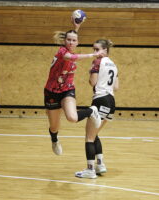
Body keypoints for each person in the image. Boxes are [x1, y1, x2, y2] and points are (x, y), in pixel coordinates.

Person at [44, 18, 104, 155]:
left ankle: (92, 111)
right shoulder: (61, 52)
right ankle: (54, 140)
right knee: (54, 127)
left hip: (67, 90)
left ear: (77, 42)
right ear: (64, 41)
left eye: (74, 40)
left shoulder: (71, 47)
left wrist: (76, 27)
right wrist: (93, 54)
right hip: (51, 92)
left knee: (72, 118)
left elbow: (72, 43)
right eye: (68, 40)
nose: (71, 42)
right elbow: (71, 56)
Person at [75, 39, 119, 179]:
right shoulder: (114, 65)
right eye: (93, 49)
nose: (94, 52)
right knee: (94, 134)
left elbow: (92, 82)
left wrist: (91, 72)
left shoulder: (97, 62)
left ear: (105, 50)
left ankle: (90, 170)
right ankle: (100, 165)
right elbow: (116, 87)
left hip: (100, 99)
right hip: (111, 101)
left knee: (89, 137)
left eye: (96, 49)